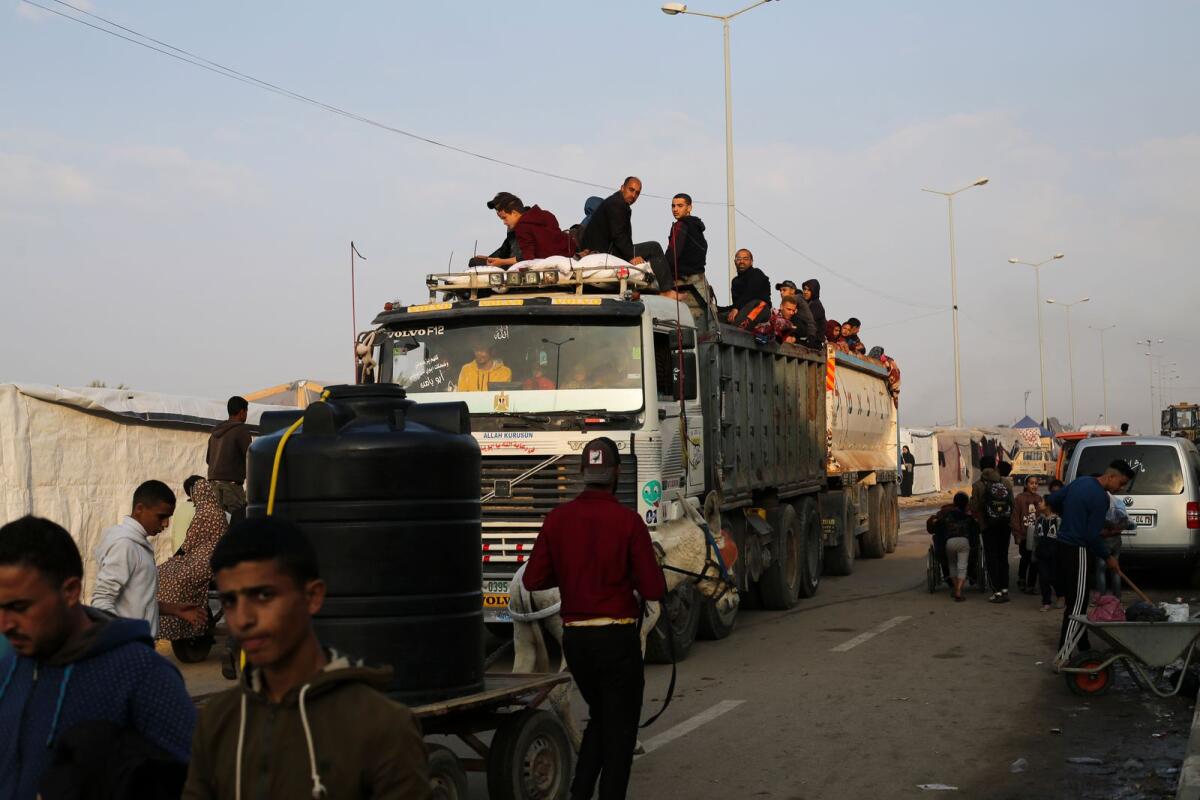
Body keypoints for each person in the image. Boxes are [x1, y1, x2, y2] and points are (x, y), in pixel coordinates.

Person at [183, 517, 430, 799]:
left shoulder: (382, 727)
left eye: (264, 595)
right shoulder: (218, 721)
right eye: (230, 601)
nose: (243, 619)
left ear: (313, 596)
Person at [0, 516, 196, 799]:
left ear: (69, 592)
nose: (5, 624)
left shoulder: (143, 675)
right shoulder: (8, 668)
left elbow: (195, 783)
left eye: (20, 607)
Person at [522, 438, 666, 800]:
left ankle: (580, 792)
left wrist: (573, 577)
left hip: (577, 644)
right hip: (616, 643)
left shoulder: (557, 520)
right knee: (619, 735)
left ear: (583, 473)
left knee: (601, 720)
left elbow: (532, 580)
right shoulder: (629, 523)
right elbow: (653, 589)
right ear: (616, 473)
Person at [91, 480, 204, 637]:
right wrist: (123, 643)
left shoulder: (138, 544)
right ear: (139, 509)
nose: (165, 524)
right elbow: (102, 602)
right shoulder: (125, 545)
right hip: (129, 649)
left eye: (169, 518)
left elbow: (136, 602)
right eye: (161, 517)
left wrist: (175, 609)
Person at [1047, 460, 1135, 660]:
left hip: (1061, 546)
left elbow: (1053, 498)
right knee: (1077, 606)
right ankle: (1063, 655)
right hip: (1077, 550)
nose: (1120, 489)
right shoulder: (1100, 498)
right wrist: (1109, 557)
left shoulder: (1081, 482)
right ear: (1111, 476)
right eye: (1121, 484)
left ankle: (1084, 647)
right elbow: (1091, 536)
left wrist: (1070, 516)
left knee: (1076, 601)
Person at [157, 477, 228, 643]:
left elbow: (189, 543)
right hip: (211, 557)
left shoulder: (204, 512)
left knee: (167, 573)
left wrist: (175, 558)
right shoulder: (218, 510)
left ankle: (184, 626)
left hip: (204, 558)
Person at [659, 193, 713, 317]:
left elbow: (672, 254)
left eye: (680, 206)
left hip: (681, 280)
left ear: (689, 208)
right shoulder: (697, 228)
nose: (675, 209)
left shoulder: (680, 225)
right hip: (698, 279)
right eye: (673, 206)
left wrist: (659, 271)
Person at [485, 192, 573, 266]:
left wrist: (501, 262)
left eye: (504, 218)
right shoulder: (547, 215)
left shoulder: (521, 227)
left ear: (514, 213)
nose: (504, 222)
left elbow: (527, 257)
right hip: (568, 256)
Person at [970, 456, 1014, 603]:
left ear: (981, 468)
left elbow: (974, 507)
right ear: (994, 466)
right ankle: (1005, 589)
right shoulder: (1006, 482)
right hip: (1004, 525)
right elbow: (1012, 504)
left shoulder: (978, 485)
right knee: (1002, 557)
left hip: (988, 526)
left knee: (991, 558)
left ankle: (997, 592)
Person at [579, 177, 647, 266]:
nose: (634, 195)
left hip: (607, 251)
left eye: (637, 193)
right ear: (622, 188)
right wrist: (631, 257)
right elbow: (619, 235)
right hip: (605, 253)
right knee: (654, 248)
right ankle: (668, 280)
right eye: (631, 190)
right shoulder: (617, 204)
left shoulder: (618, 203)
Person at [207, 396, 253, 521]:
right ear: (242, 412)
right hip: (231, 487)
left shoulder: (214, 433)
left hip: (212, 486)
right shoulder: (241, 430)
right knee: (238, 522)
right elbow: (251, 458)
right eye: (246, 412)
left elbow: (208, 460)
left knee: (217, 524)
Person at [936, 492, 977, 602]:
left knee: (952, 566)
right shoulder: (968, 516)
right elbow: (975, 532)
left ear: (954, 502)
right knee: (962, 566)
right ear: (966, 503)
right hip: (964, 542)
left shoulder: (946, 515)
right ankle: (959, 591)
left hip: (950, 542)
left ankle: (955, 588)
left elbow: (937, 527)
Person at [1032, 480, 1066, 611]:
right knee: (1043, 578)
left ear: (1048, 505)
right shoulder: (1039, 520)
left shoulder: (1057, 521)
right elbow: (1035, 538)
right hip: (1042, 554)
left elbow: (1062, 538)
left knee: (1055, 577)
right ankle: (1046, 601)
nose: (1039, 504)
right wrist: (1034, 553)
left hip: (1055, 555)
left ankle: (1061, 596)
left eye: (1041, 502)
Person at [1012, 475, 1041, 593]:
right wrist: (1017, 535)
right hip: (1024, 535)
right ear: (1026, 485)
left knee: (1034, 560)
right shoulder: (1019, 498)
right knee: (1025, 558)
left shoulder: (1039, 499)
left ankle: (1031, 585)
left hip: (1035, 536)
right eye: (1031, 483)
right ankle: (1022, 579)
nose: (1034, 485)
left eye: (1036, 483)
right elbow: (1015, 518)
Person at [726, 249, 771, 322]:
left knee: (738, 323)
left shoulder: (756, 273)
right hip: (742, 310)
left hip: (758, 307)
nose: (741, 262)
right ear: (735, 262)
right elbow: (737, 304)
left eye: (745, 259)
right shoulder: (735, 281)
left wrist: (736, 307)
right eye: (738, 259)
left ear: (751, 262)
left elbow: (752, 292)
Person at [775, 280, 817, 345]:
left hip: (805, 334)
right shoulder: (795, 300)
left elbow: (809, 323)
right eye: (780, 290)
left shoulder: (796, 299)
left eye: (784, 290)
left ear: (792, 291)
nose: (781, 292)